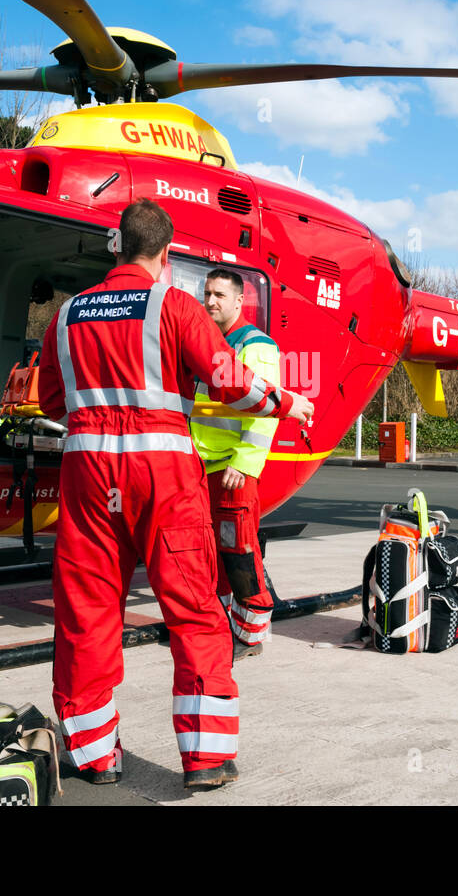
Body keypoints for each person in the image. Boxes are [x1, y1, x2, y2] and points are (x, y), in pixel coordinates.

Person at [36, 198, 314, 791]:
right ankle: (207, 759)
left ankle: (93, 755)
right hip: (163, 476)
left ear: (117, 244)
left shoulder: (66, 317)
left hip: (88, 477)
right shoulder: (175, 306)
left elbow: (50, 401)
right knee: (192, 608)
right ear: (166, 254)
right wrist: (288, 402)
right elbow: (230, 382)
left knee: (86, 613)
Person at [191, 269, 280, 660]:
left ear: (239, 301)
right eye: (207, 293)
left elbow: (265, 413)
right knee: (213, 551)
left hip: (231, 469)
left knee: (239, 549)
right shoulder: (207, 343)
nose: (210, 301)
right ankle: (223, 625)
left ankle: (251, 635)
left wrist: (243, 463)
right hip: (202, 465)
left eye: (219, 295)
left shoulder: (255, 346)